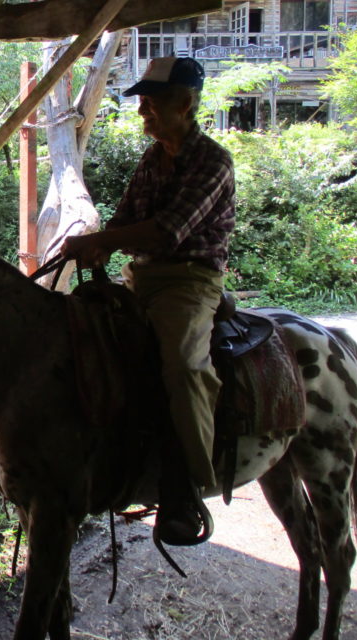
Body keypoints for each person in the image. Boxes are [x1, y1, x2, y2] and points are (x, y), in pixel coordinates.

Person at [61, 56, 235, 546]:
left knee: (181, 364)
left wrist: (103, 241)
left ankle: (188, 486)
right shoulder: (152, 159)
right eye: (143, 102)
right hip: (143, 276)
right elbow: (125, 220)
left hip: (190, 281)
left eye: (153, 102)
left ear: (186, 103)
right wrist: (96, 244)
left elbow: (166, 230)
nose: (143, 111)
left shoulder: (213, 161)